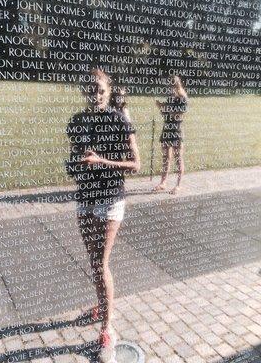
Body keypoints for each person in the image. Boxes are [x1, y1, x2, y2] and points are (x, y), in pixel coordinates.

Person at [66, 69, 140, 361]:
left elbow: (135, 164)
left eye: (99, 90)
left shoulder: (119, 120)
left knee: (100, 262)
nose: (95, 95)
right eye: (89, 90)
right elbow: (76, 157)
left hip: (110, 200)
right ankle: (102, 304)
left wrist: (101, 161)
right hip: (85, 198)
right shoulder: (77, 121)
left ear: (108, 91)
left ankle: (108, 326)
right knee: (93, 262)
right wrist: (75, 165)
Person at [154, 75, 189, 195]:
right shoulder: (170, 97)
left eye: (171, 85)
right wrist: (161, 107)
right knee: (165, 158)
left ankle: (178, 185)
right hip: (167, 128)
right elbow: (166, 115)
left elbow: (179, 115)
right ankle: (163, 182)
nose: (169, 88)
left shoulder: (182, 97)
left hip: (176, 130)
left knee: (178, 158)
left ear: (176, 85)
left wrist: (167, 108)